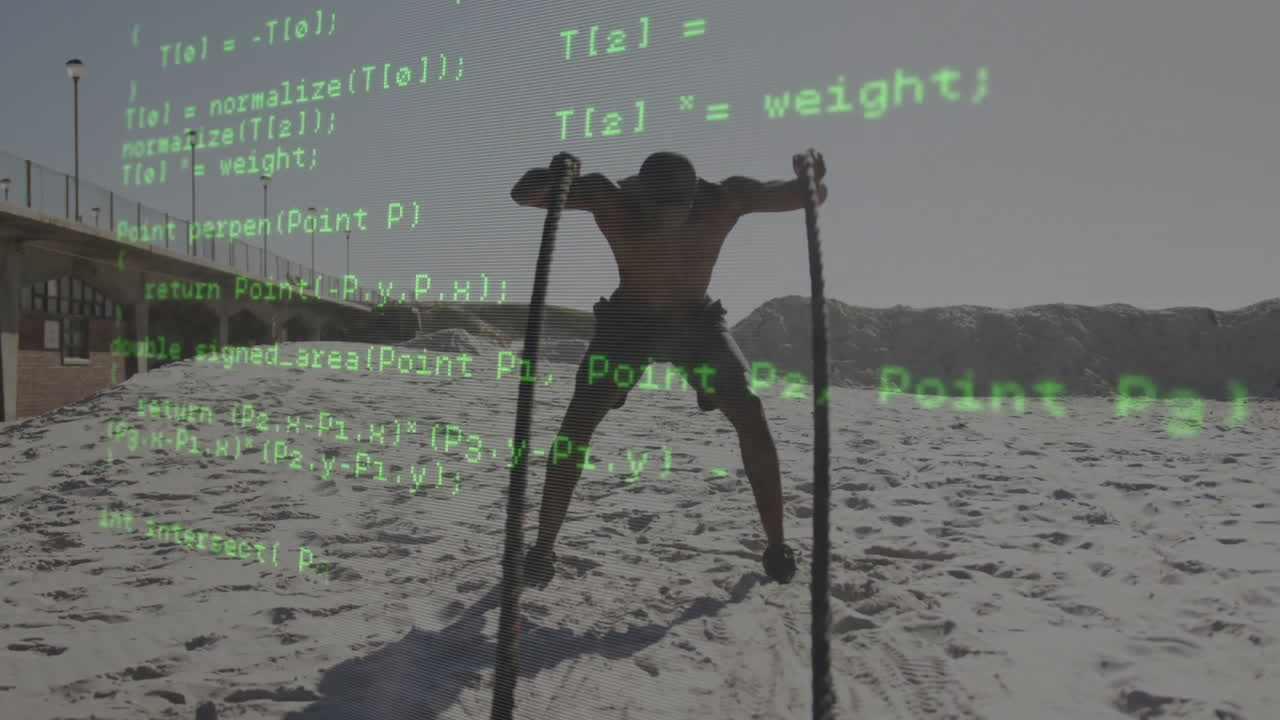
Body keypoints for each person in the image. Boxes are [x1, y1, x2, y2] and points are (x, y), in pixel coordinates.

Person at [509, 150, 828, 587]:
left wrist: (809, 176)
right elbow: (524, 195)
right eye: (653, 210)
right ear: (640, 195)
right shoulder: (612, 198)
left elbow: (802, 196)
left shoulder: (723, 199)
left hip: (696, 325)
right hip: (626, 326)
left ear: (693, 197)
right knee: (577, 425)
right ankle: (543, 547)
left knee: (750, 413)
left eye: (673, 210)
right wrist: (557, 173)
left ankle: (776, 545)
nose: (663, 221)